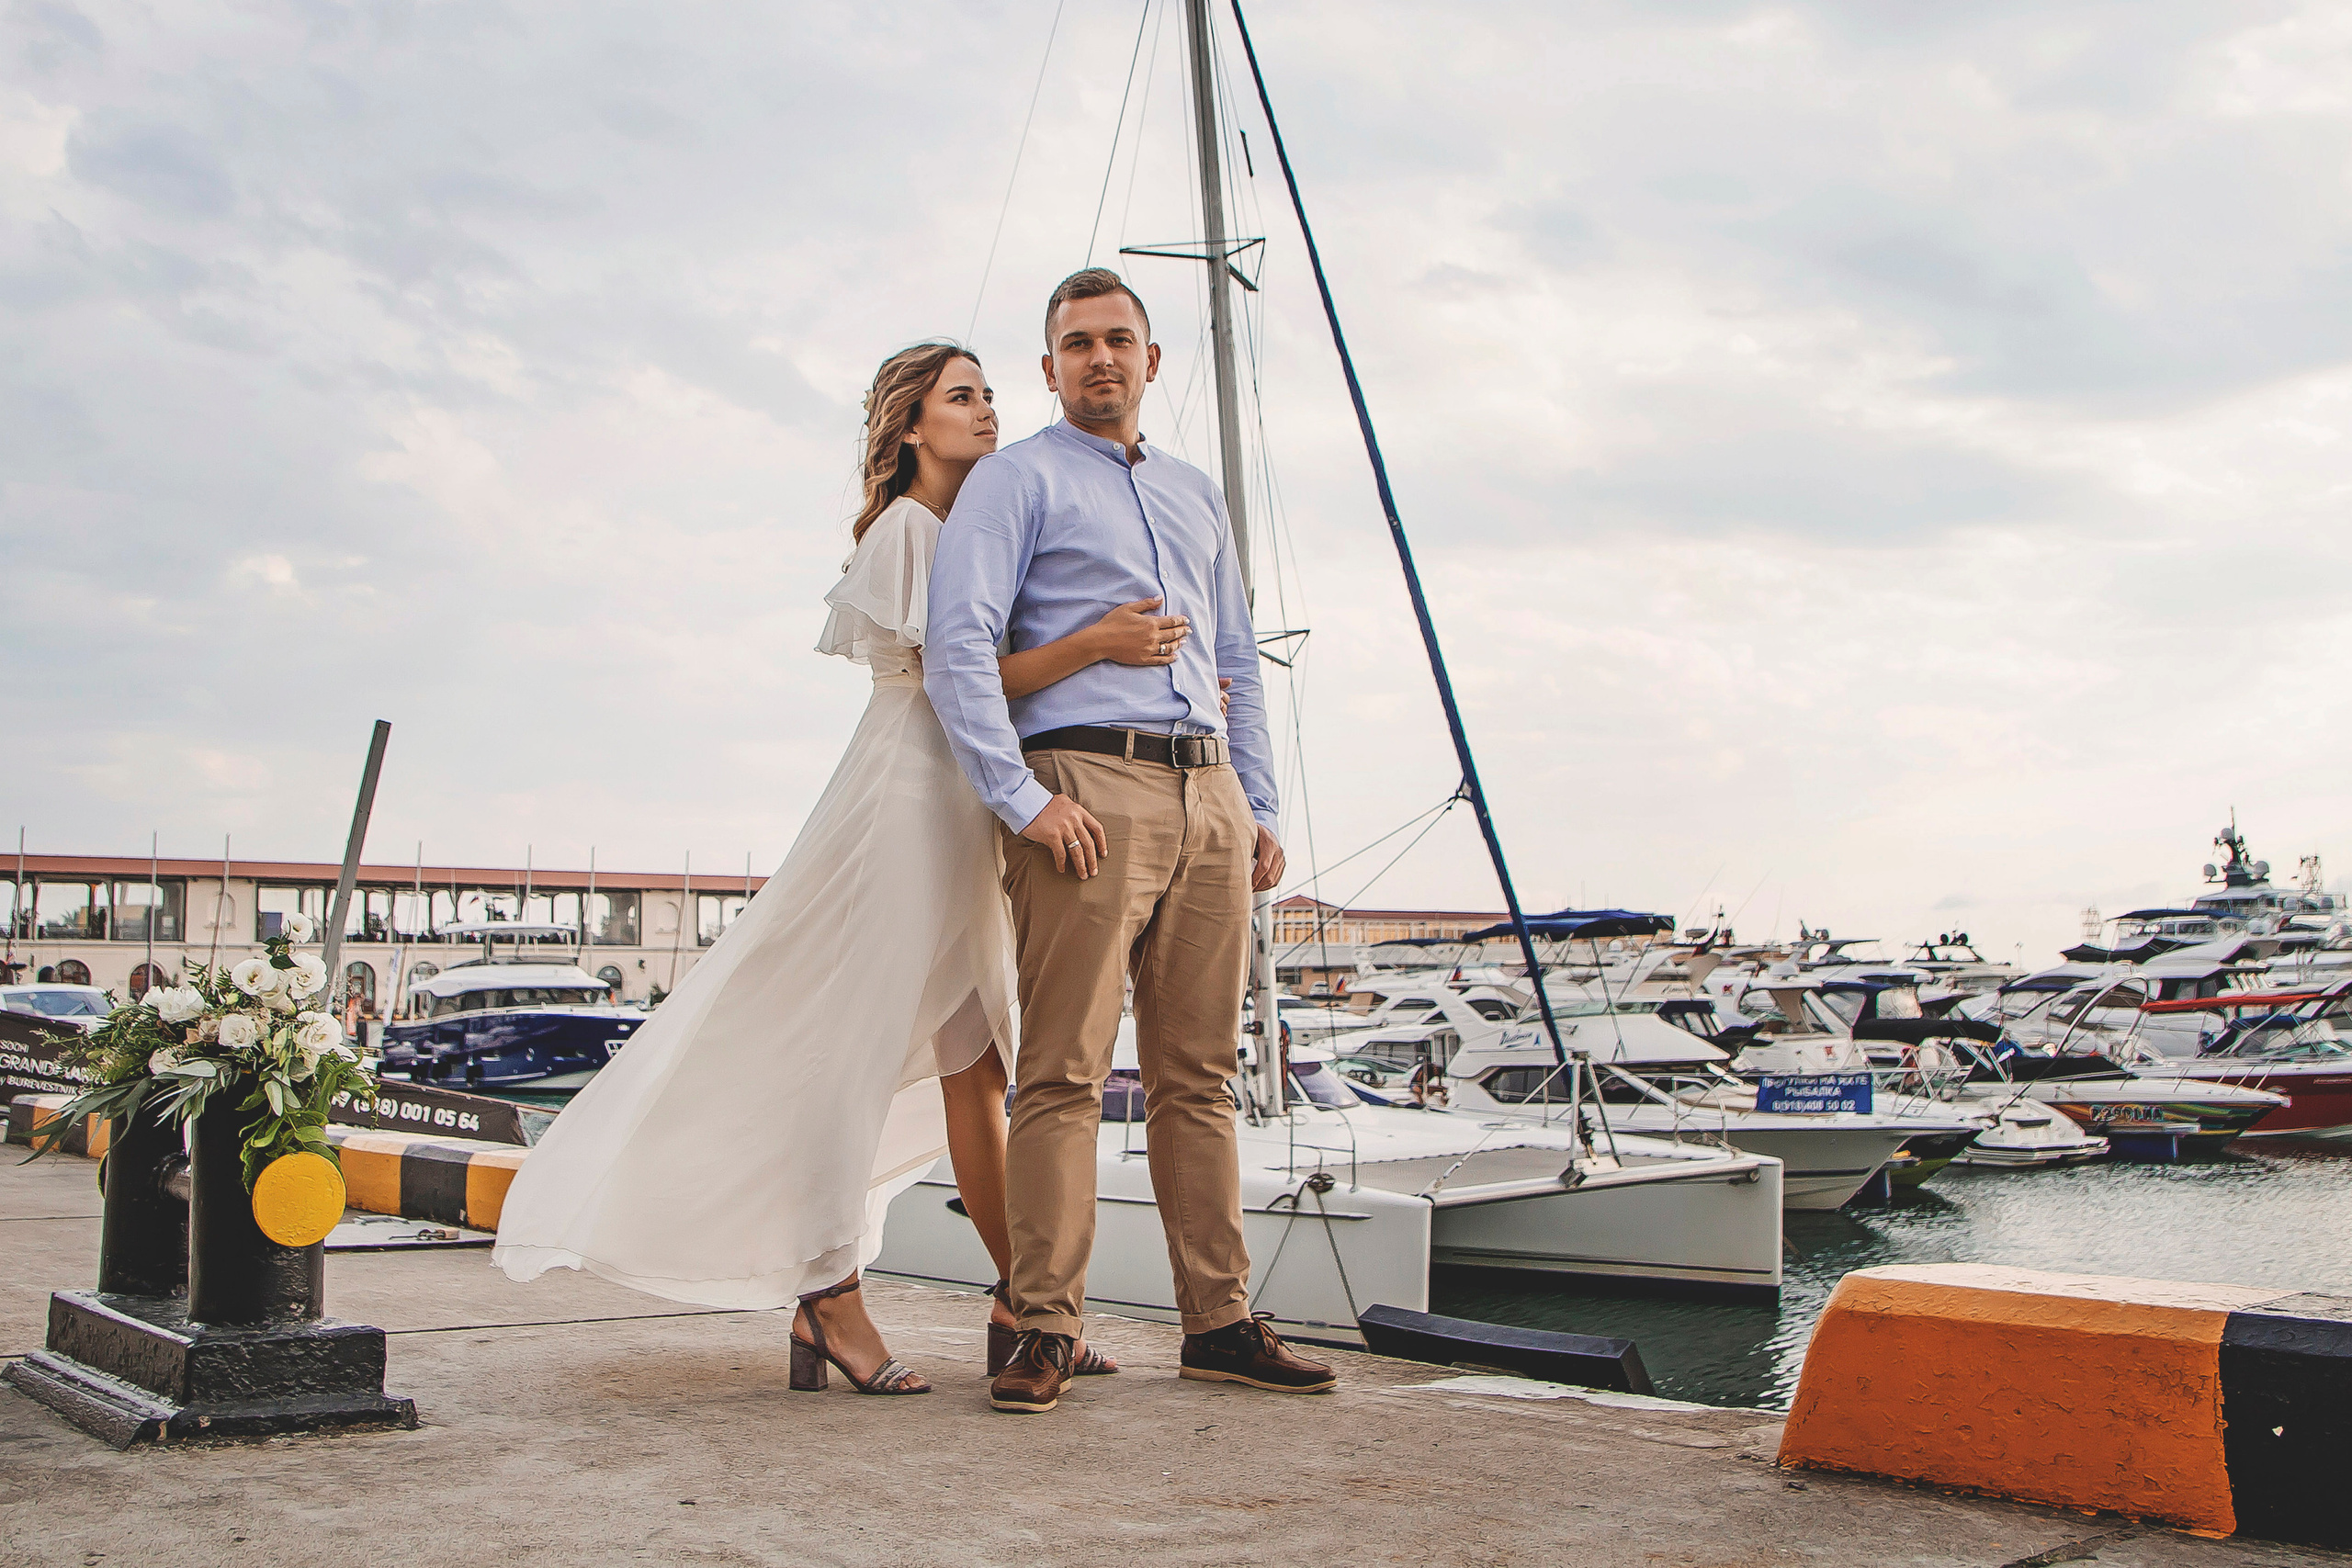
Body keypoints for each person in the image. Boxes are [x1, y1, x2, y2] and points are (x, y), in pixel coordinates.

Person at [492, 340, 1190, 1394]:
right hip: (908, 802)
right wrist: (1098, 644)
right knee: (860, 1054)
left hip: (972, 803)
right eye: (962, 398)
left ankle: (1025, 1306)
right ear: (910, 425)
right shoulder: (909, 531)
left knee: (981, 1068)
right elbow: (959, 676)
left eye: (990, 394)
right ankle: (831, 1299)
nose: (987, 412)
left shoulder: (972, 531)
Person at [926, 268, 1338, 1415]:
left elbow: (1237, 662)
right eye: (1075, 344)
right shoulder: (1011, 483)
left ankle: (1217, 1322)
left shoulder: (1198, 495)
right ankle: (1044, 1325)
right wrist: (1020, 798)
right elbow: (957, 650)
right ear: (1049, 367)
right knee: (1061, 1072)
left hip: (1205, 796)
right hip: (1083, 785)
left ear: (1152, 361)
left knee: (1196, 1079)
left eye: (1118, 341)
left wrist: (1257, 806)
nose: (1099, 359)